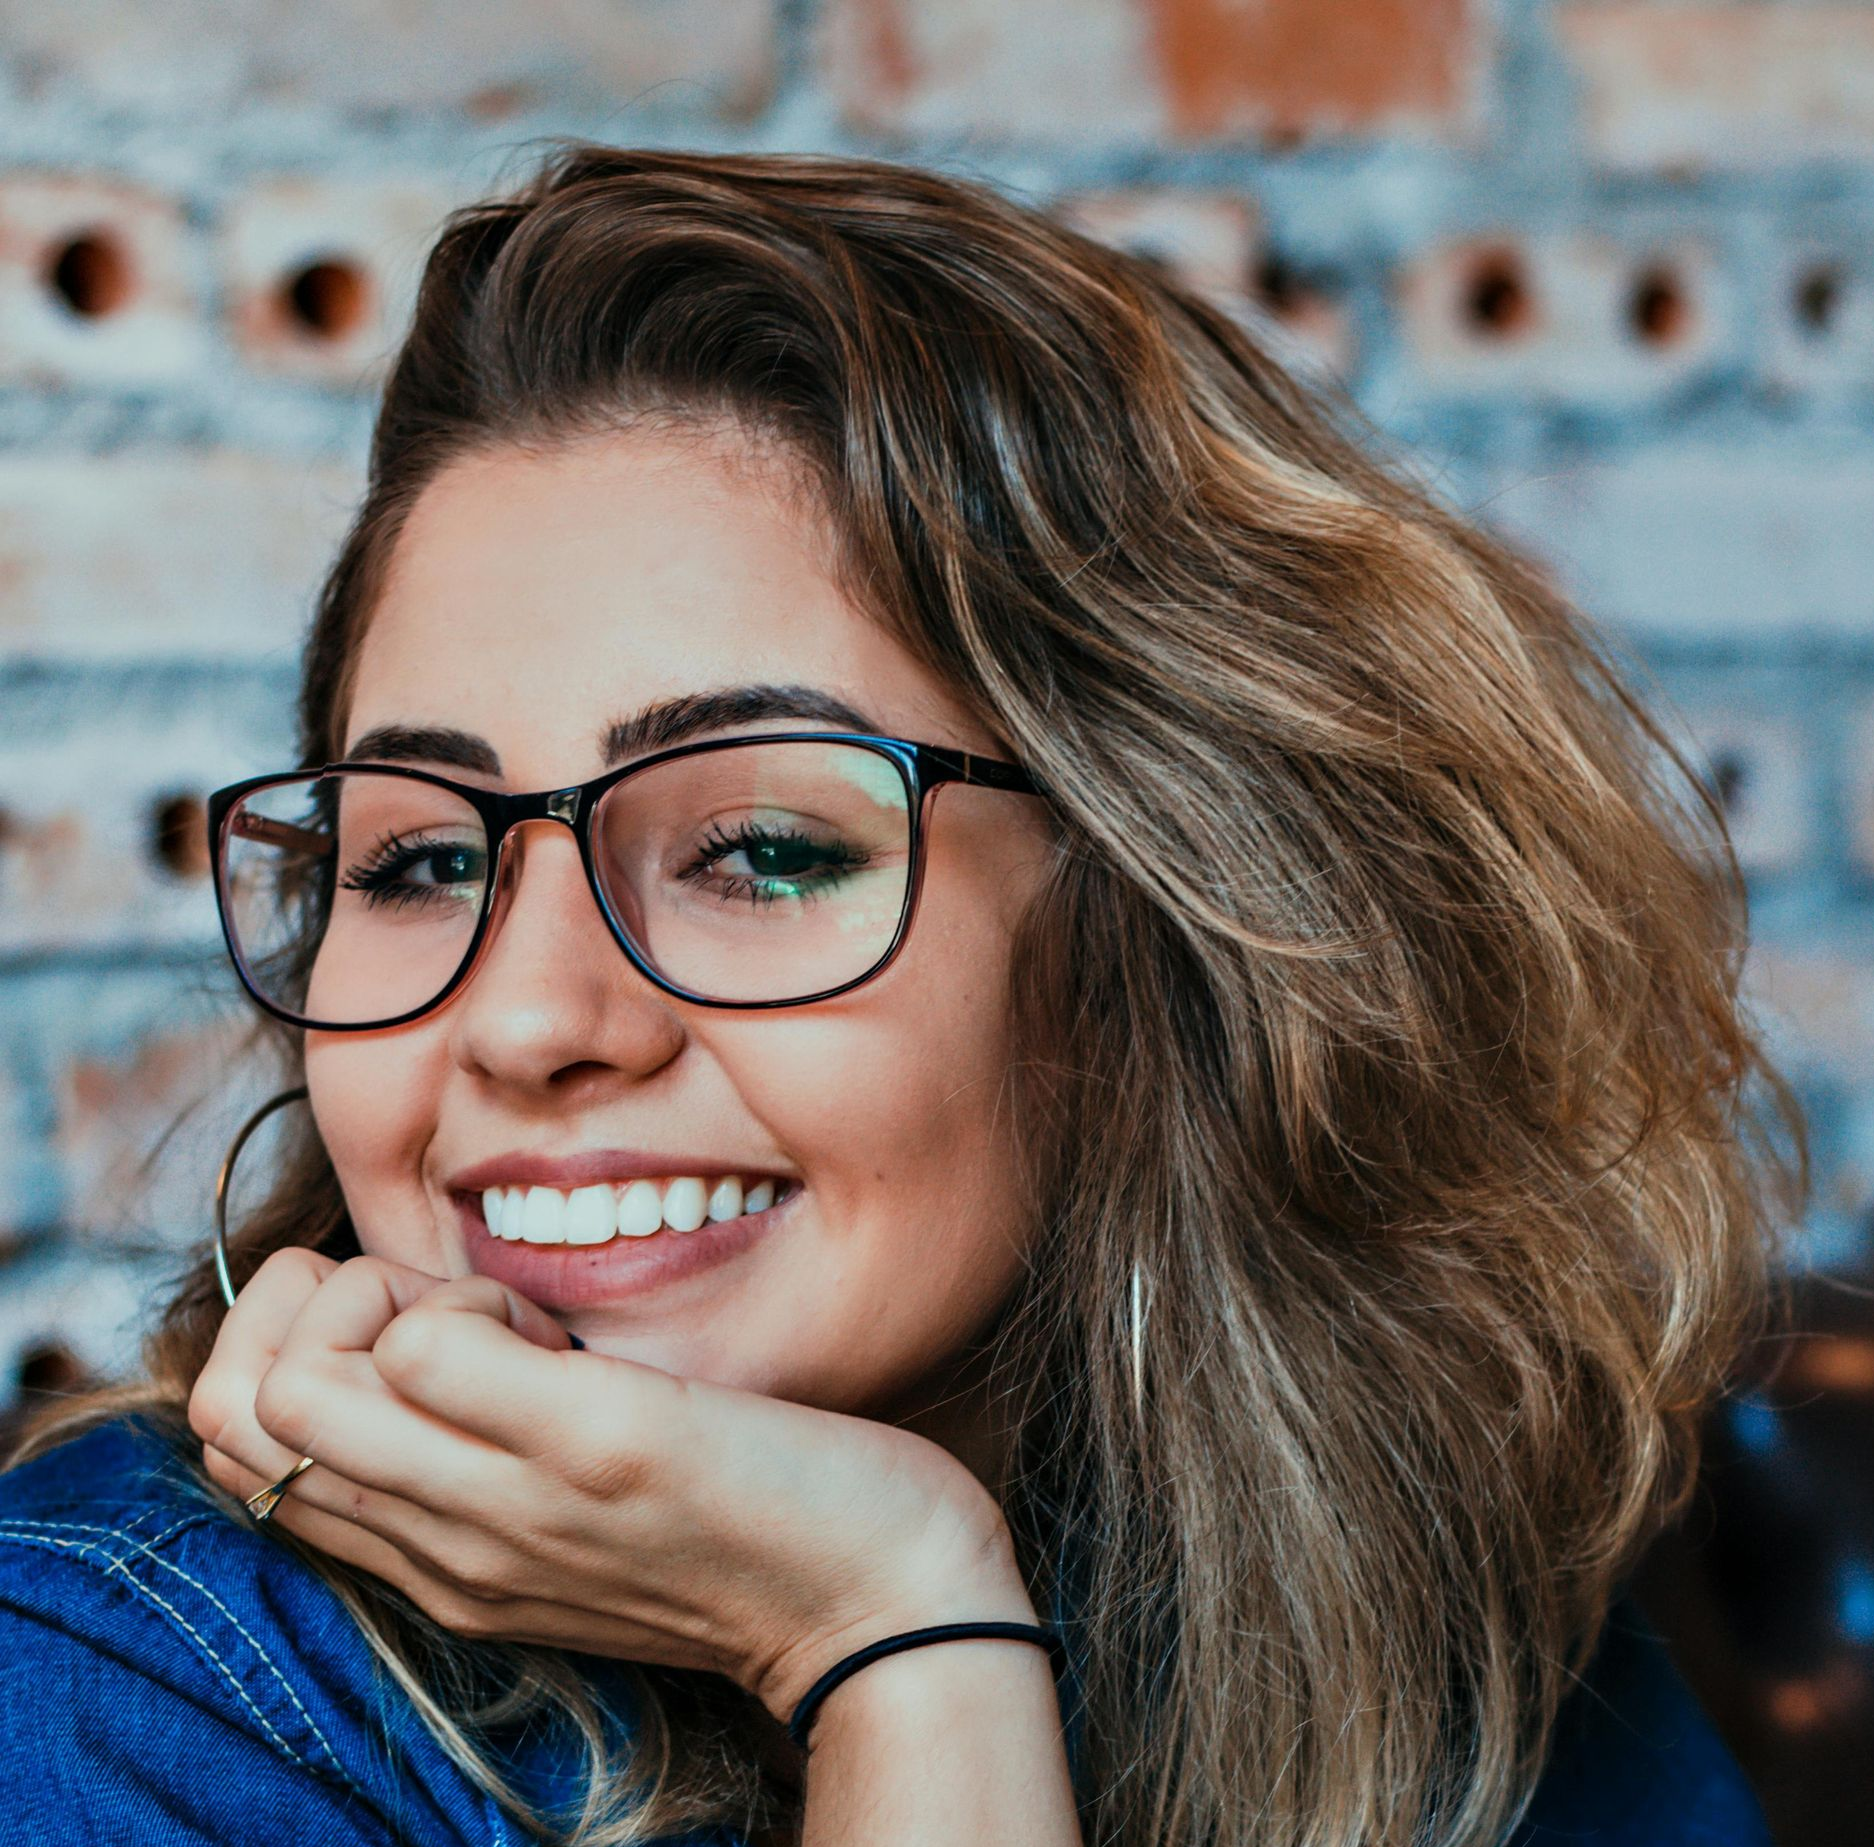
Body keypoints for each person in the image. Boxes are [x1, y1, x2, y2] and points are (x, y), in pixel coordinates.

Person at [0, 142, 1798, 1847]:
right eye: (421, 859)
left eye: (763, 847)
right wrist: (898, 1646)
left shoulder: (1424, 1565)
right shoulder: (110, 1684)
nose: (528, 1020)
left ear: (1162, 930)